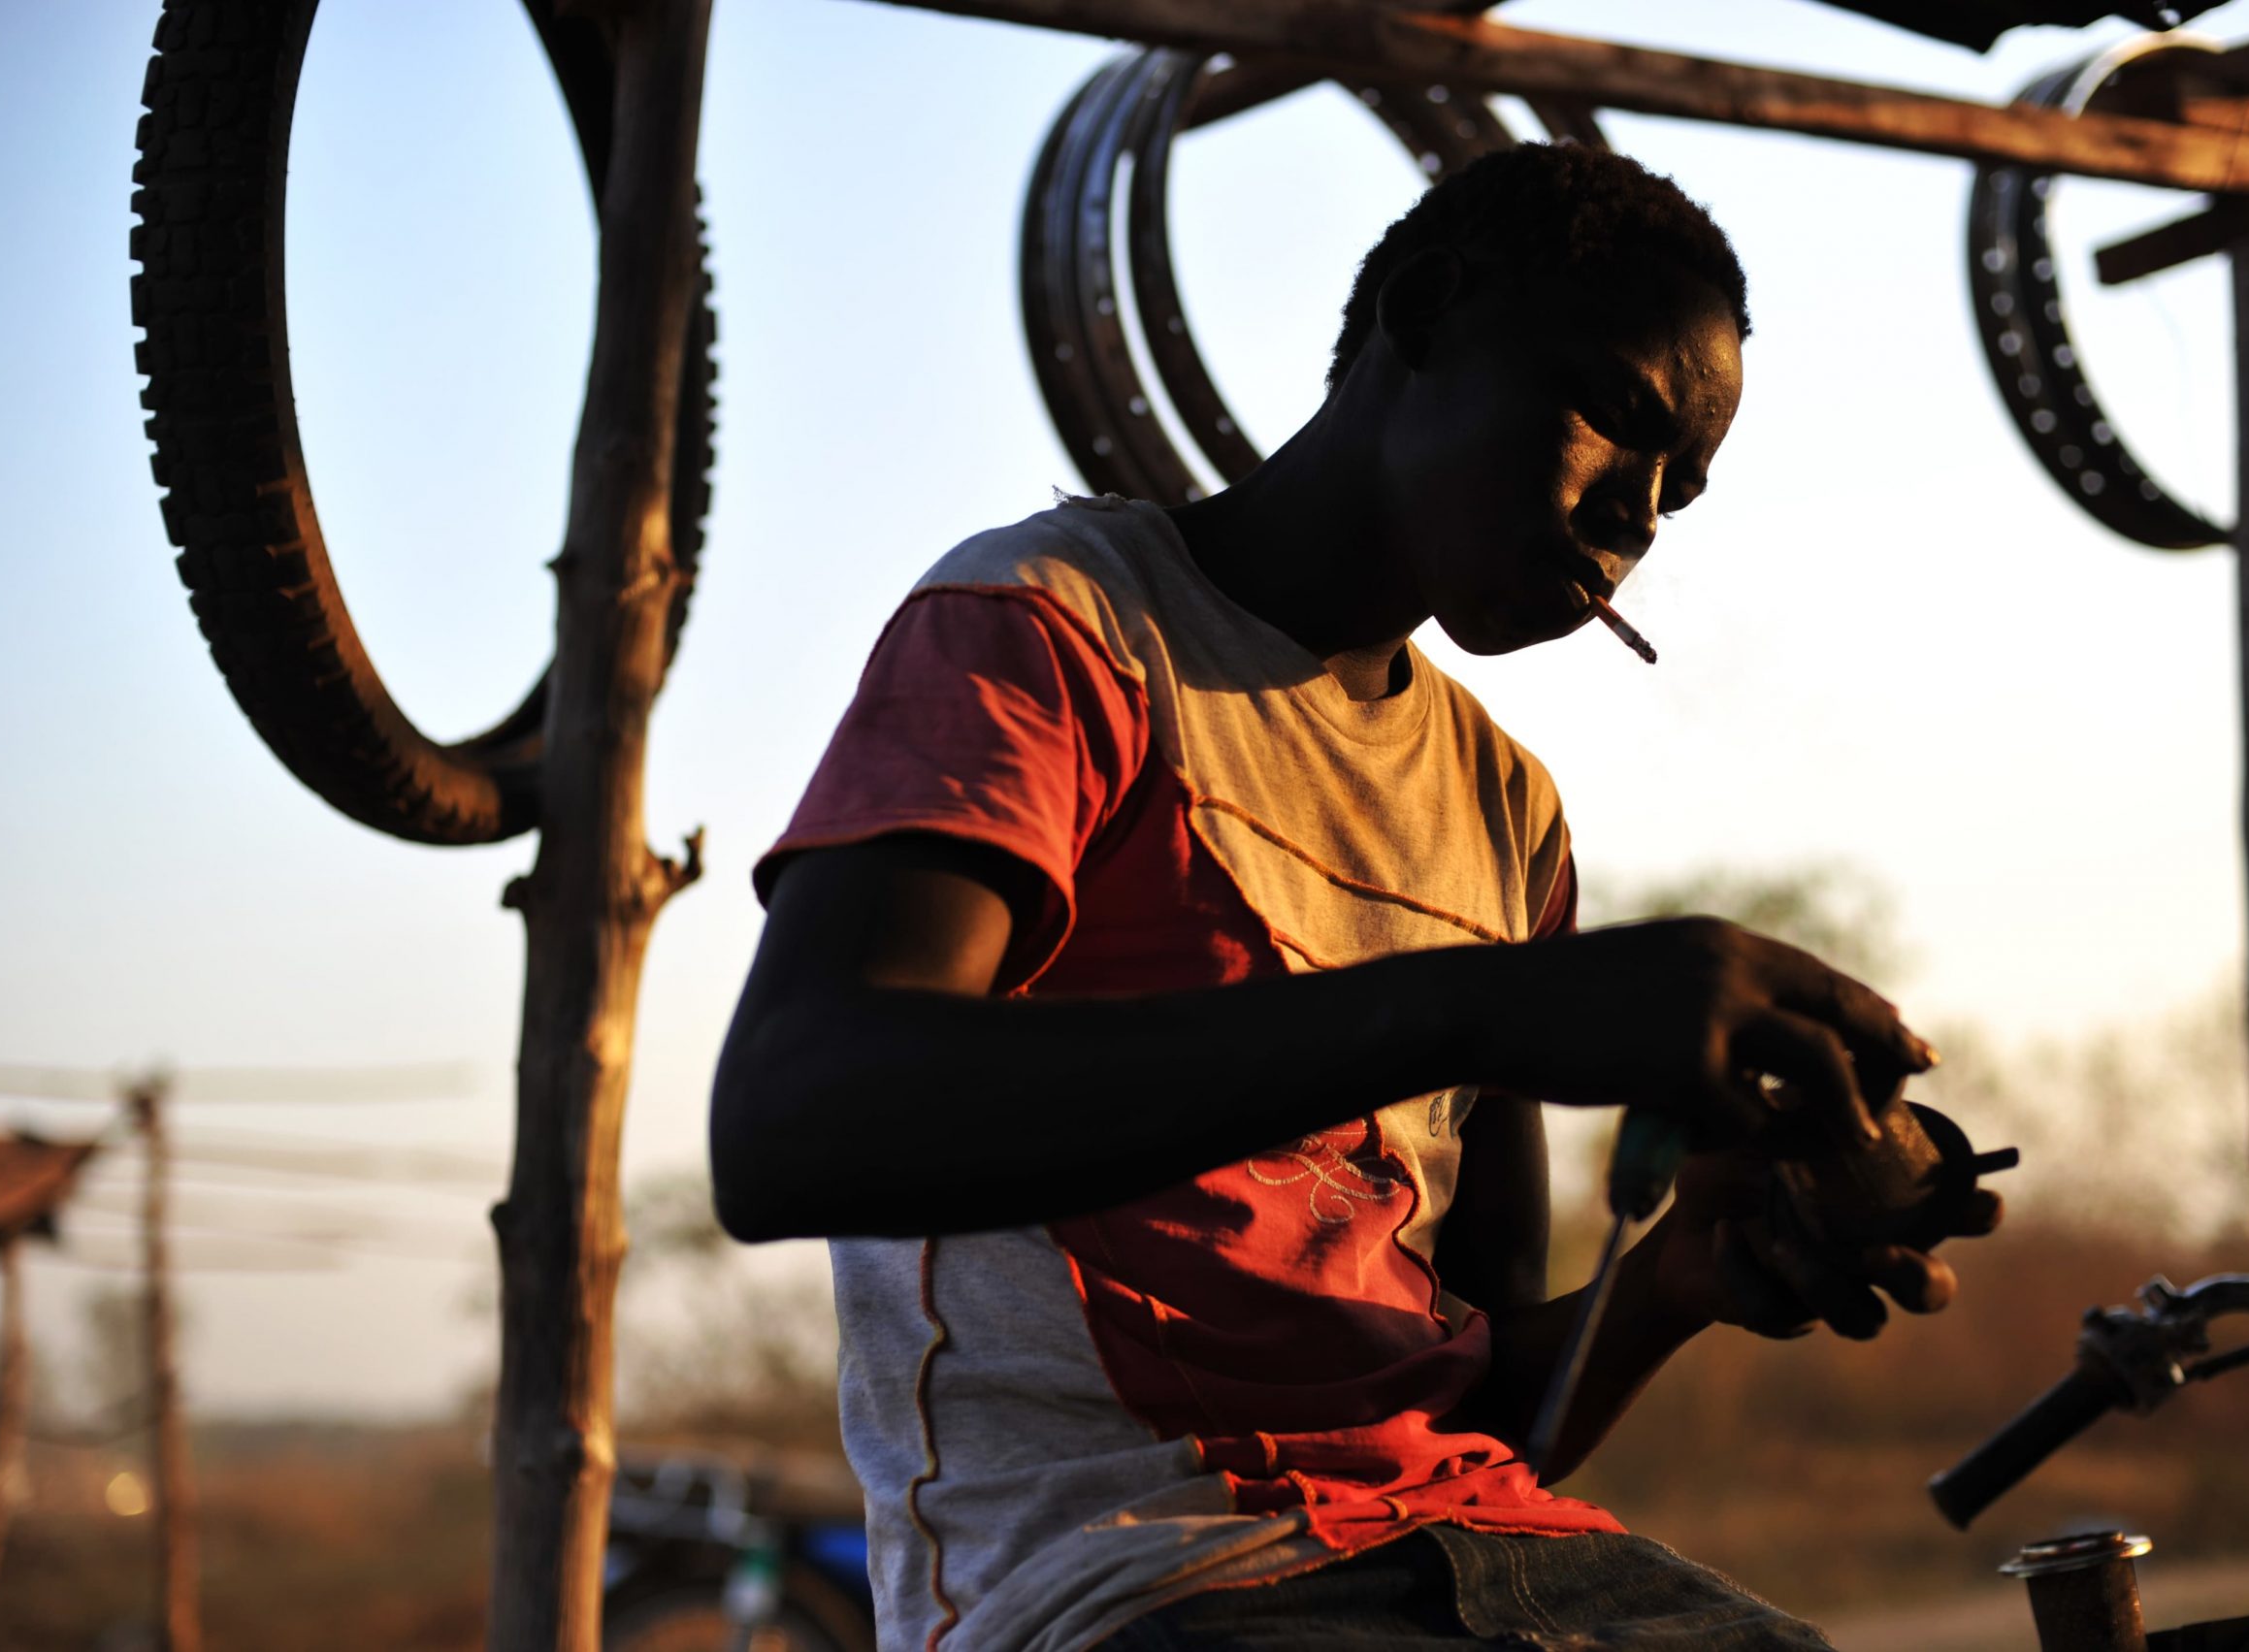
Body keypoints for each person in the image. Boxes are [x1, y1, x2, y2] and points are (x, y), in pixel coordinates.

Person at [711, 143, 1999, 1652]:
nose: (1635, 519)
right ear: (1428, 310)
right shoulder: (1054, 632)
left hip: (1480, 1556)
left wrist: (1673, 1283)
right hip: (1133, 1585)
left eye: (1677, 496)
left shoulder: (1504, 811)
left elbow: (1474, 1407)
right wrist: (1479, 1008)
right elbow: (795, 1123)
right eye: (1618, 424)